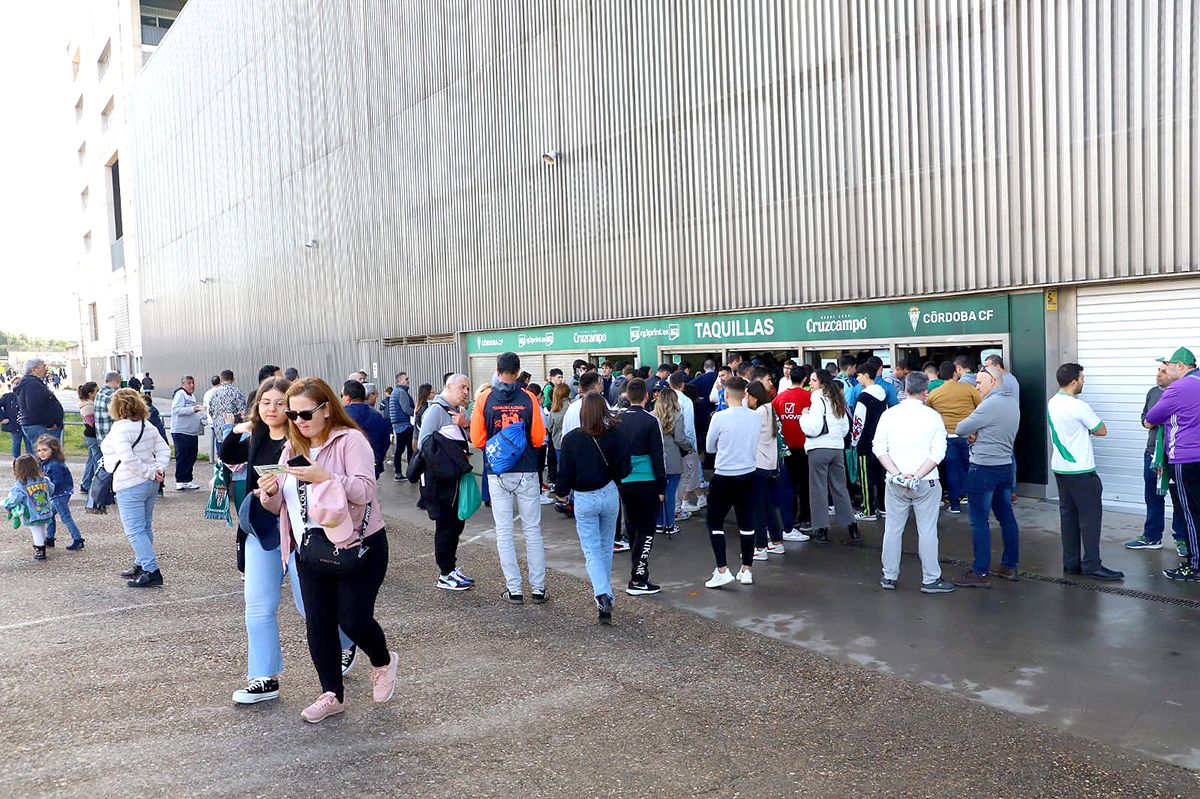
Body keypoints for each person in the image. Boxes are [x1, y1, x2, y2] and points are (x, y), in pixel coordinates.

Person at [258, 377, 397, 723]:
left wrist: (324, 477)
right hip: (309, 550)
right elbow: (283, 508)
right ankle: (331, 693)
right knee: (318, 622)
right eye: (292, 415)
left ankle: (383, 661)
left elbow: (365, 491)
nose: (298, 421)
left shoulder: (351, 441)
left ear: (326, 409)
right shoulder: (292, 448)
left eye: (305, 414)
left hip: (357, 546)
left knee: (353, 618)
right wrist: (269, 492)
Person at [222, 376, 355, 704]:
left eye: (280, 404)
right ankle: (264, 677)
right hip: (260, 531)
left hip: (297, 535)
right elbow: (227, 453)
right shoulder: (258, 434)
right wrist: (240, 429)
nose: (272, 409)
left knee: (309, 607)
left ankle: (347, 639)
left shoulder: (303, 441)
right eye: (265, 403)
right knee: (257, 607)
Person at [470, 352, 549, 604]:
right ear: (518, 372)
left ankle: (513, 589)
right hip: (526, 469)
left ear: (497, 369)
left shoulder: (484, 399)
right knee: (532, 530)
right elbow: (538, 438)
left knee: (504, 531)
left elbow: (478, 439)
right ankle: (538, 588)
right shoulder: (528, 399)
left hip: (497, 472)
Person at [872, 372, 955, 593]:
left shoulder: (889, 415)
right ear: (925, 391)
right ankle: (930, 579)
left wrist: (898, 474)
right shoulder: (933, 417)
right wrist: (917, 475)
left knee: (892, 529)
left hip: (895, 482)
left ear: (905, 389)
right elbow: (938, 453)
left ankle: (889, 576)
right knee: (927, 531)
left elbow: (879, 447)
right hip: (926, 482)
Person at [553, 392, 631, 623]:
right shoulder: (615, 434)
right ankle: (604, 597)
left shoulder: (571, 439)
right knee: (606, 547)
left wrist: (561, 493)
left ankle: (602, 594)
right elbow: (625, 469)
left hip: (584, 497)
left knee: (591, 549)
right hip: (609, 493)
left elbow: (564, 475)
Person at [1047, 363, 1123, 581]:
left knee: (1068, 516)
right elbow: (1101, 430)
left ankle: (1071, 563)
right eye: (1082, 378)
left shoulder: (1053, 402)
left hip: (1061, 468)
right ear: (1073, 382)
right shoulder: (1078, 406)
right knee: (1090, 519)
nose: (1083, 381)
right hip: (1081, 469)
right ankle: (1091, 564)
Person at [950, 366, 1021, 588]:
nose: (977, 386)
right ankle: (1009, 565)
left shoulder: (989, 404)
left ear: (993, 382)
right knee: (1006, 517)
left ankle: (980, 572)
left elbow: (961, 428)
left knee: (979, 521)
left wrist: (975, 434)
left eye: (980, 383)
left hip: (983, 468)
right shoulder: (1012, 403)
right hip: (1004, 467)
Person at [101, 388, 170, 587]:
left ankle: (151, 569)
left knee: (134, 530)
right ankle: (141, 563)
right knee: (145, 526)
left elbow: (127, 458)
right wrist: (158, 469)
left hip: (129, 483)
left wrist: (150, 471)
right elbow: (164, 449)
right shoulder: (147, 425)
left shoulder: (119, 428)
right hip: (150, 483)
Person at [1144, 347, 1200, 582]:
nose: (1165, 369)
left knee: (1190, 513)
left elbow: (1151, 418)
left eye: (1168, 365)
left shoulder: (1178, 387)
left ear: (1181, 366)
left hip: (1184, 459)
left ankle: (1195, 566)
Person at [416, 374, 475, 591]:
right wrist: (454, 456)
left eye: (468, 388)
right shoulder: (435, 411)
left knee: (456, 524)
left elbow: (468, 438)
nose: (466, 392)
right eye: (462, 387)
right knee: (446, 526)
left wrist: (466, 424)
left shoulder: (458, 411)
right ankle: (445, 573)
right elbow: (425, 445)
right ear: (449, 387)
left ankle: (451, 568)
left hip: (455, 479)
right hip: (441, 482)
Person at [702, 377, 761, 588]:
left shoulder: (719, 417)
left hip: (724, 475)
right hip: (749, 473)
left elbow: (709, 447)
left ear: (726, 395)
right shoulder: (755, 417)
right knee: (746, 523)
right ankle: (747, 569)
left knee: (715, 522)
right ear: (745, 394)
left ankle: (722, 569)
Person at [1126, 362, 1189, 554]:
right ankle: (1152, 536)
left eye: (1163, 371)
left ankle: (1182, 540)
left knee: (1179, 498)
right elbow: (1145, 419)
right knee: (1153, 496)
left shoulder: (1183, 391)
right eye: (1158, 371)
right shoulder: (1153, 392)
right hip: (1153, 453)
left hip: (1175, 454)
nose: (1159, 375)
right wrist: (1154, 420)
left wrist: (1159, 419)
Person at [612, 378, 666, 594]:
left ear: (627, 396)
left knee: (633, 528)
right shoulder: (651, 421)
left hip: (625, 482)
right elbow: (657, 457)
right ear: (646, 396)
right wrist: (662, 487)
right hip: (648, 482)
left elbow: (614, 453)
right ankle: (638, 578)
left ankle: (638, 574)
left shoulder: (618, 420)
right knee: (647, 530)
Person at [801, 369, 860, 545]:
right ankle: (852, 526)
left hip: (818, 448)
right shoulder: (837, 398)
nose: (810, 384)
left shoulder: (817, 398)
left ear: (821, 383)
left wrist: (804, 417)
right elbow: (844, 428)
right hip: (837, 448)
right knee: (840, 488)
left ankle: (821, 529)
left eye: (813, 380)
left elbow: (813, 428)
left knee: (818, 489)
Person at [926, 362, 981, 514]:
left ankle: (955, 505)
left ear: (940, 374)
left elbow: (929, 413)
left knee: (951, 471)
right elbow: (980, 406)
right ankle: (970, 499)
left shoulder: (934, 394)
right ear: (955, 372)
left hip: (947, 437)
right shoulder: (968, 389)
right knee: (969, 468)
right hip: (968, 436)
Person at [746, 382, 785, 559]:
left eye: (748, 396)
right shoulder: (770, 408)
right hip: (769, 465)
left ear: (755, 396)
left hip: (758, 464)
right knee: (768, 506)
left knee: (757, 508)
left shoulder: (759, 412)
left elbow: (748, 435)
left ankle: (760, 547)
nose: (746, 399)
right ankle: (777, 541)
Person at [773, 372, 812, 540]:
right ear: (804, 379)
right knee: (805, 484)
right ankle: (806, 518)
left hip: (786, 449)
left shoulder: (780, 398)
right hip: (805, 447)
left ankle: (792, 519)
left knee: (789, 485)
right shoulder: (810, 397)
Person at [651, 387, 692, 537]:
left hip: (656, 460)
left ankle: (659, 522)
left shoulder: (652, 416)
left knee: (658, 492)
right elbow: (680, 438)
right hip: (673, 459)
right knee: (670, 493)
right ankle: (670, 524)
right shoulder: (677, 416)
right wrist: (690, 447)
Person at [851, 361, 888, 522]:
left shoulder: (863, 396)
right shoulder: (883, 394)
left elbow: (858, 422)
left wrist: (854, 441)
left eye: (858, 375)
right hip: (880, 442)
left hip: (865, 443)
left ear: (866, 375)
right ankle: (883, 507)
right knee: (881, 476)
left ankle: (868, 510)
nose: (857, 378)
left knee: (866, 477)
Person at [34, 435, 84, 550]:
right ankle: (50, 538)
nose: (41, 453)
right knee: (50, 515)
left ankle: (78, 539)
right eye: (39, 450)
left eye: (45, 450)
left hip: (60, 494)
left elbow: (58, 482)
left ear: (54, 450)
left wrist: (46, 487)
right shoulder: (45, 463)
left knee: (65, 517)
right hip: (56, 494)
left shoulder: (55, 464)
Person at [4, 454, 56, 560]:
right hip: (45, 510)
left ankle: (40, 550)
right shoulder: (44, 479)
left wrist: (8, 506)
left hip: (32, 514)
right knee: (42, 528)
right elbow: (51, 490)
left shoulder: (21, 484)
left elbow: (15, 499)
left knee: (35, 531)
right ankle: (43, 541)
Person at [340, 380, 390, 478]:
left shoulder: (340, 417)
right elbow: (385, 441)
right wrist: (378, 458)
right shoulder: (377, 416)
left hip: (347, 469)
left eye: (342, 395)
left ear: (348, 398)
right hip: (372, 466)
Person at [14, 358, 64, 450]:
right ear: (34, 369)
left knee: (42, 456)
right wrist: (50, 424)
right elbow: (35, 407)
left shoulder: (30, 382)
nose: (47, 368)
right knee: (46, 455)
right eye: (43, 366)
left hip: (36, 425)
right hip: (40, 426)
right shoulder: (32, 384)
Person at [171, 375, 205, 490]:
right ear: (183, 384)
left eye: (193, 383)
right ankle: (180, 480)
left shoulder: (192, 396)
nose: (192, 385)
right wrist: (193, 409)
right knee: (182, 456)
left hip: (191, 432)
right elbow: (176, 410)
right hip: (181, 431)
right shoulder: (180, 394)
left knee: (191, 456)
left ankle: (188, 479)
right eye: (189, 383)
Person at [206, 370, 248, 462]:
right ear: (233, 379)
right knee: (233, 458)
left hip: (219, 430)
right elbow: (243, 412)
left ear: (221, 379)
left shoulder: (214, 393)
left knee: (222, 456)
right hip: (234, 431)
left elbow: (210, 411)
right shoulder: (237, 392)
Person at [388, 372, 416, 478]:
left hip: (397, 425)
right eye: (406, 379)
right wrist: (415, 411)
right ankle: (410, 472)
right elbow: (407, 409)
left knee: (399, 449)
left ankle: (398, 473)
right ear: (400, 381)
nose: (408, 381)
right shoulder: (401, 392)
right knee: (409, 449)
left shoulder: (395, 392)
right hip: (405, 424)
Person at [77, 382, 101, 495]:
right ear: (91, 394)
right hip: (93, 436)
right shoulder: (89, 407)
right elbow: (93, 423)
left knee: (91, 461)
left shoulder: (87, 404)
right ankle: (98, 487)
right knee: (98, 461)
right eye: (97, 391)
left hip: (90, 435)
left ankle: (85, 485)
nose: (99, 392)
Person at [94, 372, 122, 442]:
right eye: (119, 381)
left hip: (101, 436)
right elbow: (120, 416)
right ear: (115, 380)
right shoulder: (113, 395)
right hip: (112, 437)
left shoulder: (99, 393)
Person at [1, 376, 24, 459]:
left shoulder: (28, 395)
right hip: (15, 426)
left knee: (31, 447)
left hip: (28, 425)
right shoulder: (8, 397)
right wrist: (2, 418)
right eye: (15, 383)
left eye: (19, 383)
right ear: (12, 385)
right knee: (16, 445)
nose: (17, 385)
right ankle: (17, 465)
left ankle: (31, 467)